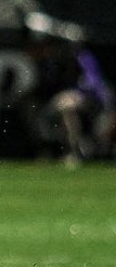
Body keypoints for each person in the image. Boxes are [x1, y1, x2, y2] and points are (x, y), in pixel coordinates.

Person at [17, 13, 114, 166]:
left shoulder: (75, 55)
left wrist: (72, 95)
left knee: (65, 103)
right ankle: (46, 149)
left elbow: (93, 86)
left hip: (96, 103)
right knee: (30, 103)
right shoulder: (47, 62)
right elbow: (47, 88)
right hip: (66, 102)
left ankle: (73, 152)